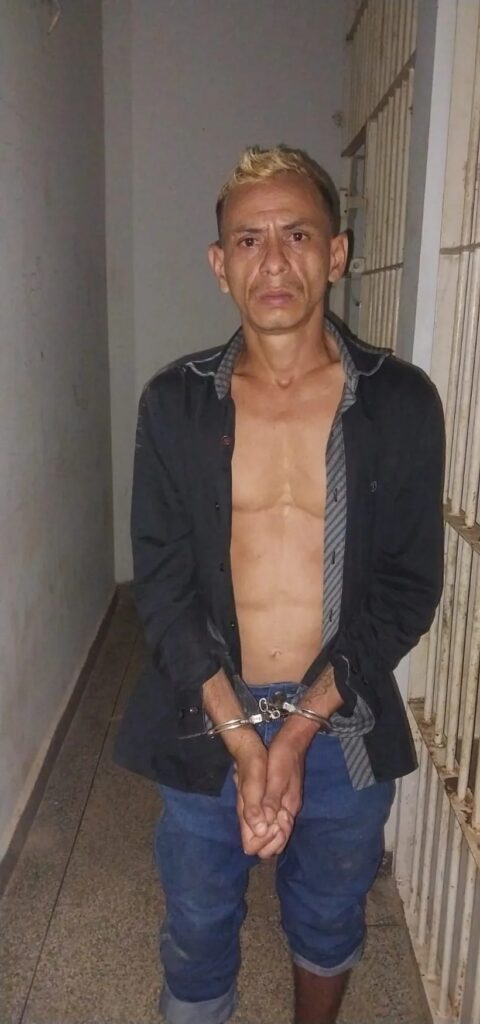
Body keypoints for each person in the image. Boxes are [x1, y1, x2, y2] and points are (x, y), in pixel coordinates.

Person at [115, 144, 444, 1024]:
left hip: (342, 718)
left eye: (297, 235)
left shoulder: (401, 404)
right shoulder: (175, 405)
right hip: (204, 710)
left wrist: (294, 734)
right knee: (197, 923)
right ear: (220, 264)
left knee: (331, 912)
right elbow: (163, 584)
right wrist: (241, 735)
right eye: (248, 240)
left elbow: (409, 585)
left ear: (336, 254)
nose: (273, 261)